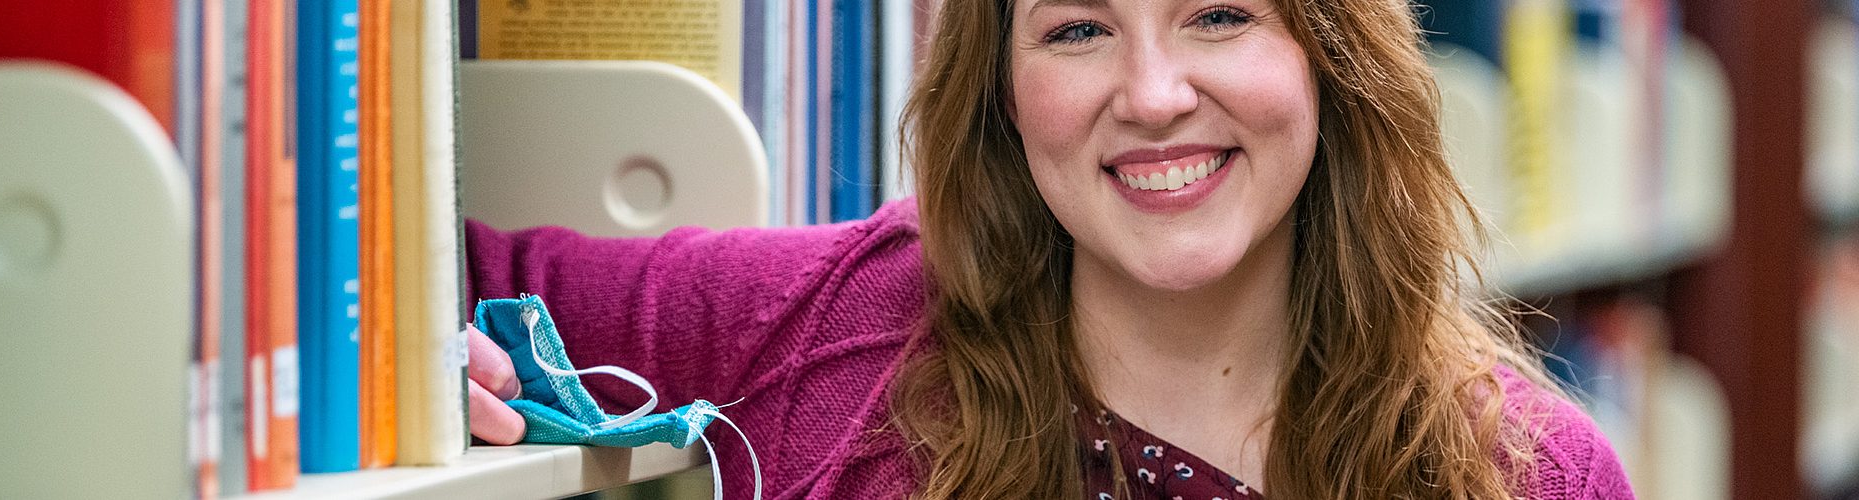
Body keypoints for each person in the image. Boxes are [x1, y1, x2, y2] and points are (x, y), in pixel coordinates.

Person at [461, 0, 1635, 497]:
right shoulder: (830, 324)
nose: (1154, 93)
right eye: (1077, 28)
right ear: (1003, 94)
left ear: (1331, 55)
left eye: (1219, 13)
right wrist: (423, 354)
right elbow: (437, 270)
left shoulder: (1534, 475)